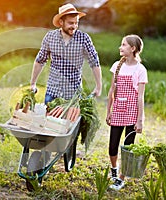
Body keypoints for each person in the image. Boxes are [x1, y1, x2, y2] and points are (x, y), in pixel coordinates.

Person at [30, 3, 102, 105]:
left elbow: (94, 62)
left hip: (73, 94)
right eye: (70, 23)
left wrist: (99, 86)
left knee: (71, 121)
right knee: (49, 120)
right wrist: (33, 83)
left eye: (76, 23)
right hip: (52, 92)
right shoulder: (50, 37)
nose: (74, 26)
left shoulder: (84, 38)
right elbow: (40, 60)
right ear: (61, 22)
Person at [106, 34, 147, 190]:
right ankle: (114, 170)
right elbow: (112, 90)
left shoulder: (140, 69)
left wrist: (140, 120)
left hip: (132, 113)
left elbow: (140, 97)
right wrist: (108, 111)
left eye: (123, 45)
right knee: (112, 147)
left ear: (133, 48)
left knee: (127, 148)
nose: (120, 47)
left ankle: (121, 179)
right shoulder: (117, 65)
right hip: (117, 110)